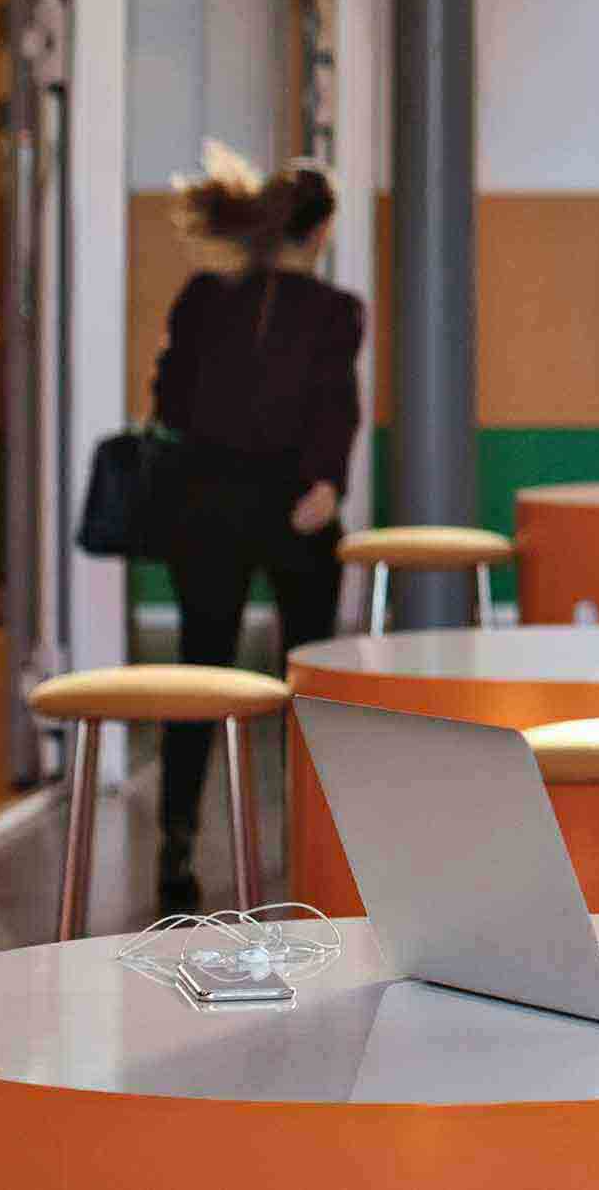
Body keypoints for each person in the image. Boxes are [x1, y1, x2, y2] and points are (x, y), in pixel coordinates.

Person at [149, 143, 362, 916]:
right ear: (323, 230)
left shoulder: (205, 297)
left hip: (204, 506)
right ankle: (311, 848)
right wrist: (326, 483)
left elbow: (169, 399)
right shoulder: (336, 312)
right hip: (295, 508)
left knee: (198, 678)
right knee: (307, 682)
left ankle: (176, 845)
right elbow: (336, 408)